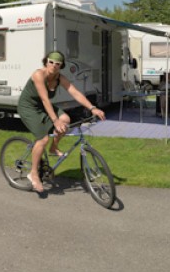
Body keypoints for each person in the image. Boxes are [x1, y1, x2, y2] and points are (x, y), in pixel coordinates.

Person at [17, 50, 106, 193]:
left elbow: (75, 92)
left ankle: (54, 147)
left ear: (61, 66)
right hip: (28, 107)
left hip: (42, 106)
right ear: (46, 62)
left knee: (66, 119)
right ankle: (33, 174)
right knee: (43, 139)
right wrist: (55, 121)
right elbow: (45, 99)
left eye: (57, 64)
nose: (53, 66)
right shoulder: (38, 75)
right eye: (51, 62)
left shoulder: (60, 78)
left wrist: (92, 108)